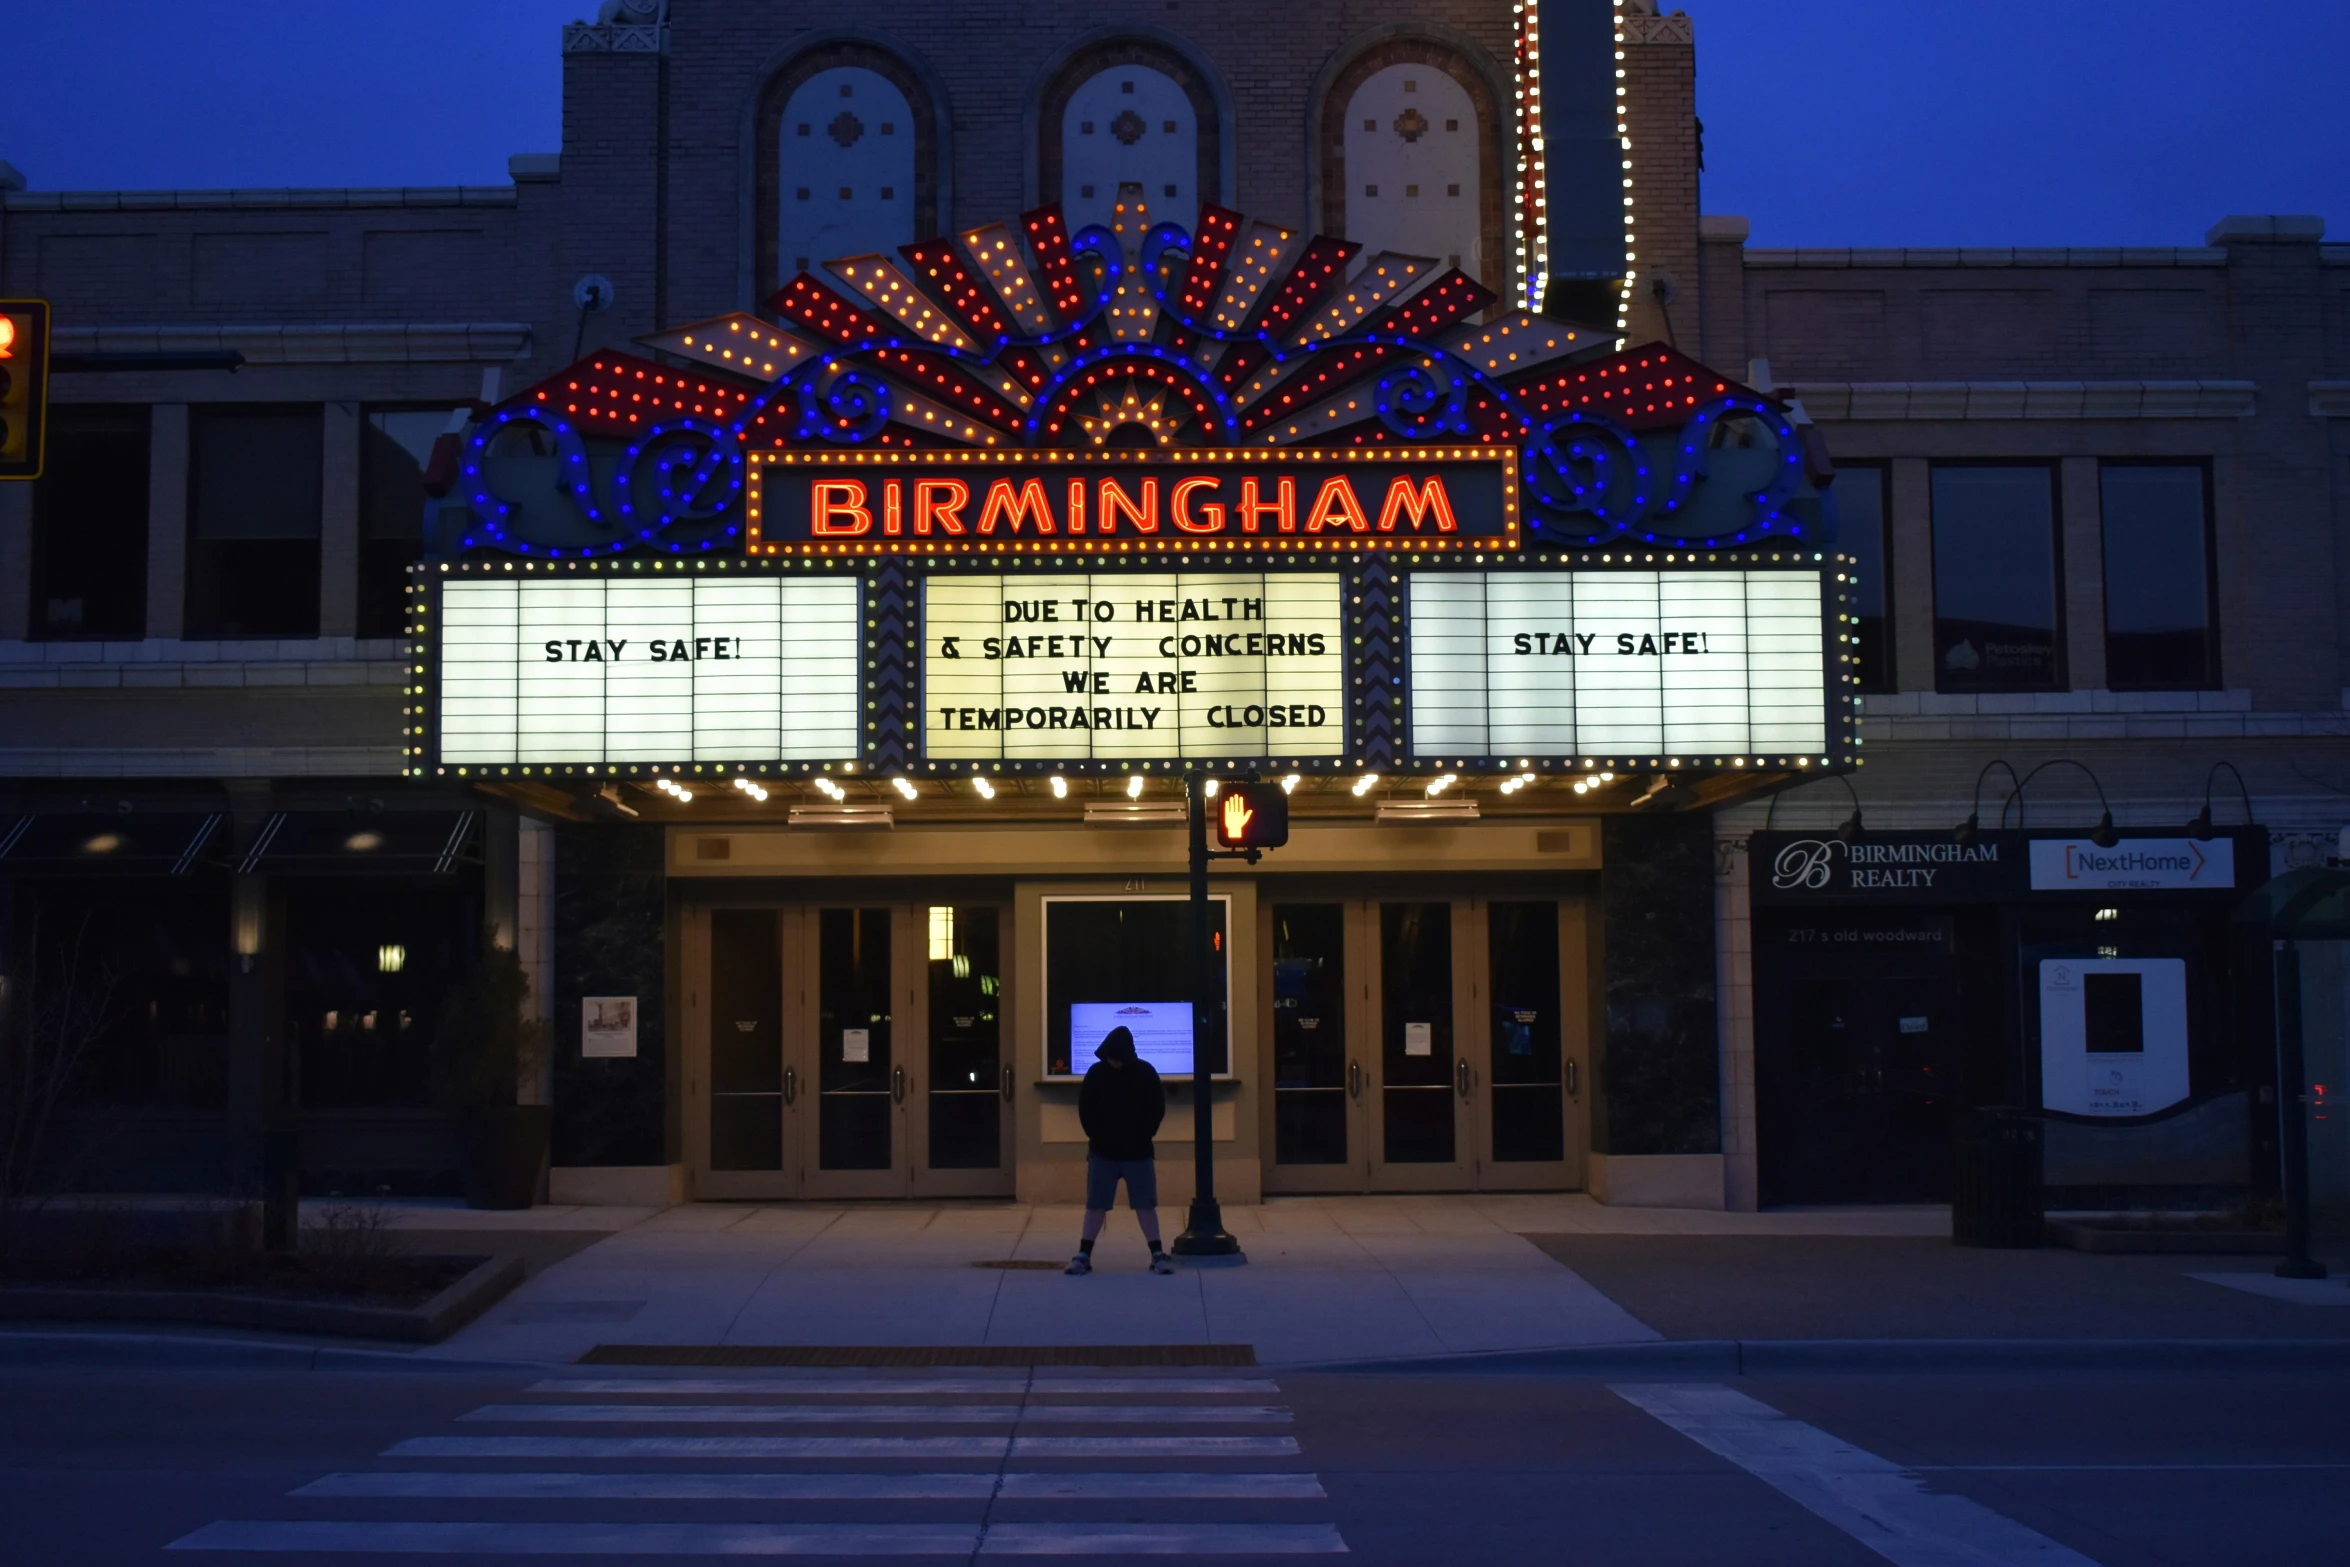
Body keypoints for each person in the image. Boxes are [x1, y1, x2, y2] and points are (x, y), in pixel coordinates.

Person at [1068, 1025, 1174, 1275]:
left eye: (1117, 1057)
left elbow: (1156, 1109)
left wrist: (1144, 1135)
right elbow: (1085, 1110)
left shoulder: (1145, 1073)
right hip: (1104, 1152)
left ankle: (1157, 1253)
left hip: (1137, 1152)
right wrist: (1097, 1136)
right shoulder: (1096, 1074)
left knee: (1145, 1204)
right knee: (1095, 1205)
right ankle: (1084, 1254)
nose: (1113, 1062)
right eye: (1110, 1057)